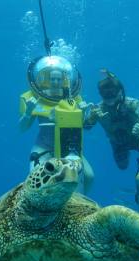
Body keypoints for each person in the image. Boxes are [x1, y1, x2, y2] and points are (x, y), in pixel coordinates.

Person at [19, 62, 94, 194]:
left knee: (89, 176)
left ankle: (82, 202)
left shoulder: (75, 99)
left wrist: (84, 115)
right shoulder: (32, 98)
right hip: (43, 147)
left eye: (58, 79)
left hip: (69, 148)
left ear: (64, 80)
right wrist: (28, 112)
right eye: (52, 79)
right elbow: (22, 128)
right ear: (47, 79)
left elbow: (80, 126)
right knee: (34, 177)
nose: (55, 82)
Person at [84, 70, 139, 170]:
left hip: (138, 139)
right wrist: (91, 118)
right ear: (100, 94)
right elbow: (86, 127)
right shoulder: (97, 110)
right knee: (122, 166)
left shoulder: (132, 104)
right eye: (105, 93)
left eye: (112, 92)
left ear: (120, 91)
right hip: (117, 143)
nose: (109, 96)